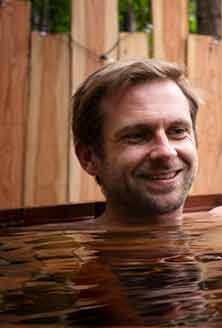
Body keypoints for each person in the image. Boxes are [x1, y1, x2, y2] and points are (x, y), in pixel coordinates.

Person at [72, 59, 201, 227]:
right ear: (89, 158)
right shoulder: (54, 249)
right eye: (137, 136)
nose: (166, 152)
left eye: (177, 131)